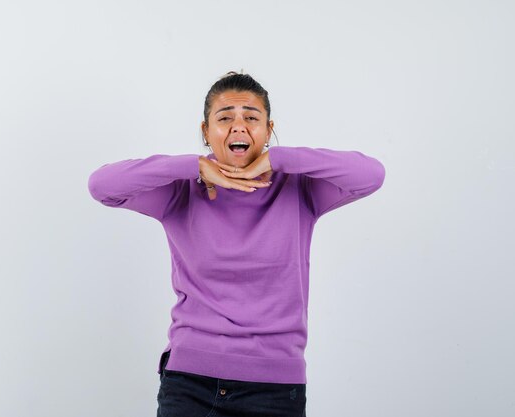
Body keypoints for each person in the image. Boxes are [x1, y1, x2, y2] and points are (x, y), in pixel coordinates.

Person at [87, 71, 386, 417]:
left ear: (268, 129)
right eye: (225, 117)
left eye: (252, 118)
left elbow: (371, 175)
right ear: (205, 131)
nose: (239, 127)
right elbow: (102, 185)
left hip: (274, 389)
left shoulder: (299, 188)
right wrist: (195, 167)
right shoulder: (181, 190)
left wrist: (281, 159)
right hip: (189, 384)